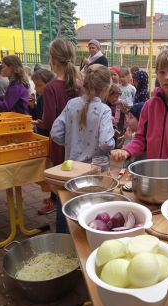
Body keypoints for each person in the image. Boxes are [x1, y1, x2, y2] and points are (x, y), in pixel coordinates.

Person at [110, 48, 168, 190]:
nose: (167, 77)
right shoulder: (149, 105)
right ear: (157, 75)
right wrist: (127, 151)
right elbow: (141, 139)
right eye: (162, 72)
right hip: (153, 178)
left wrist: (161, 168)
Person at [37, 37, 81, 223]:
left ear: (53, 59)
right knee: (76, 188)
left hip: (59, 145)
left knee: (62, 191)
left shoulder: (51, 88)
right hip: (79, 144)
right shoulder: (80, 84)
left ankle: (64, 230)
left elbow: (49, 122)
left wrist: (39, 122)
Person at [51, 64, 115, 163]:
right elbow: (106, 143)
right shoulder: (104, 110)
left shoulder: (71, 104)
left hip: (71, 167)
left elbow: (55, 133)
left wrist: (71, 142)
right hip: (94, 171)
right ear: (106, 88)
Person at [29, 68, 56, 214]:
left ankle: (55, 200)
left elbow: (51, 121)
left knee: (53, 170)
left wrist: (44, 123)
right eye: (34, 85)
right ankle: (53, 197)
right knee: (49, 169)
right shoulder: (40, 97)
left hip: (52, 138)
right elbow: (39, 116)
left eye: (38, 85)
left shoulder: (50, 97)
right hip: (44, 136)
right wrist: (32, 107)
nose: (36, 88)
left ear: (49, 84)